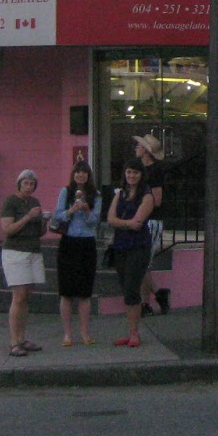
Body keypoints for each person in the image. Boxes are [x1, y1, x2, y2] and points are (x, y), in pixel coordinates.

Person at [107, 159, 156, 347]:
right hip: (120, 246)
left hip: (139, 246)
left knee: (131, 288)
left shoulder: (147, 195)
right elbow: (110, 219)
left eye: (135, 172)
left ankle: (135, 332)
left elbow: (138, 222)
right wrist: (126, 223)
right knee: (125, 289)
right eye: (128, 172)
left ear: (141, 174)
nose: (131, 176)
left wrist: (123, 223)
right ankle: (130, 330)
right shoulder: (120, 194)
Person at [0, 168, 46, 358]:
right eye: (25, 183)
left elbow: (39, 232)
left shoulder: (35, 202)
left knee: (27, 295)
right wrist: (28, 217)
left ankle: (22, 337)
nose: (29, 186)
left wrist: (44, 222)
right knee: (18, 296)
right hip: (15, 252)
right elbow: (7, 230)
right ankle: (13, 341)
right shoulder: (11, 202)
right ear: (19, 184)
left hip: (33, 251)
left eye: (32, 184)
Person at [52, 160, 101, 346]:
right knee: (66, 291)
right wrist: (71, 210)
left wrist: (87, 209)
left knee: (84, 292)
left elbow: (95, 221)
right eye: (77, 172)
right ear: (73, 175)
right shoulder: (66, 192)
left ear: (88, 175)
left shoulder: (95, 195)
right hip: (69, 243)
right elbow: (57, 215)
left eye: (84, 172)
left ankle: (84, 333)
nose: (80, 175)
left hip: (87, 243)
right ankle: (67, 334)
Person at [132, 134, 171, 316]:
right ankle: (146, 301)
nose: (136, 148)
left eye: (139, 146)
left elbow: (158, 200)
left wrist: (141, 207)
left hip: (151, 220)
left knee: (142, 262)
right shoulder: (141, 169)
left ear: (146, 151)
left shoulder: (155, 171)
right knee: (144, 263)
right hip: (143, 219)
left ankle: (155, 294)